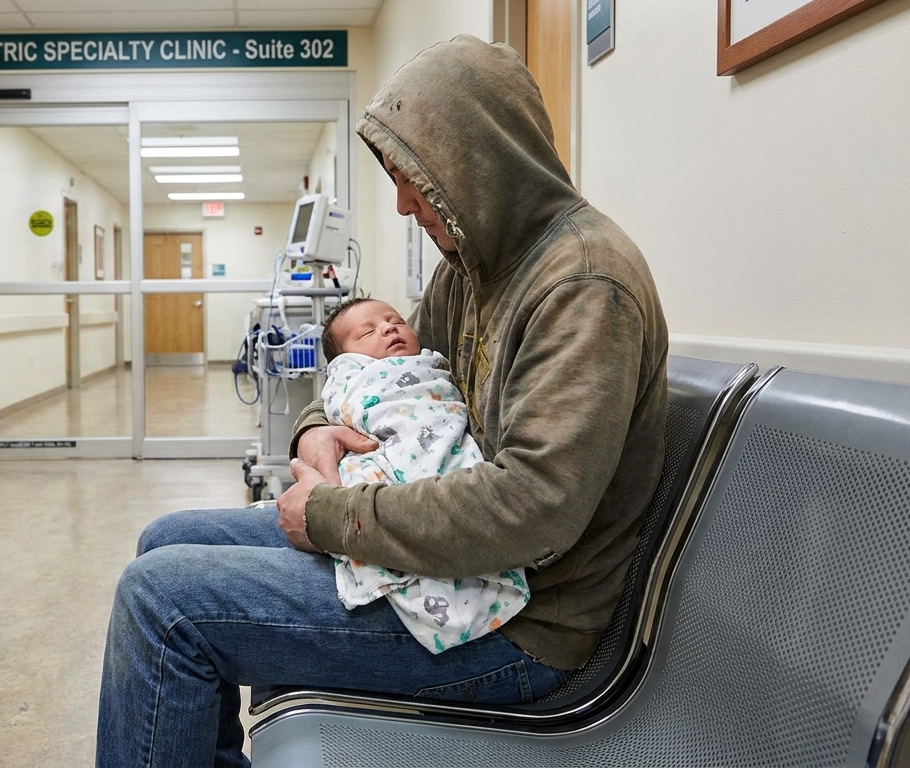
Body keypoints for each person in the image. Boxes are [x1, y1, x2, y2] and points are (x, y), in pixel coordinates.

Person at [96, 35, 668, 768]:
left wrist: (334, 517)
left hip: (516, 624)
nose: (403, 204)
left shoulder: (583, 285)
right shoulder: (474, 269)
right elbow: (373, 371)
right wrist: (312, 433)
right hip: (448, 566)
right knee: (163, 541)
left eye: (416, 180)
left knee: (161, 604)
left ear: (479, 159)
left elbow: (535, 507)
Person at [319, 296, 529, 654]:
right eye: (368, 331)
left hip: (445, 504)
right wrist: (312, 430)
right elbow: (342, 399)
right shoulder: (358, 378)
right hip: (371, 495)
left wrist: (322, 511)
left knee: (188, 596)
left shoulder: (431, 367)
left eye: (395, 321)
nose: (388, 328)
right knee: (189, 535)